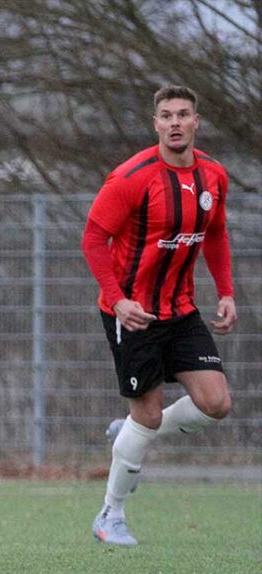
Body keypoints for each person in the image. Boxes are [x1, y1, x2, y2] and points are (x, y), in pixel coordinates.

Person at [81, 85, 236, 546]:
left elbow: (217, 234)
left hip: (181, 310)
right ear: (155, 124)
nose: (174, 122)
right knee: (145, 417)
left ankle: (129, 433)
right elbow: (92, 239)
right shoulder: (132, 176)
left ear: (195, 121)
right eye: (166, 115)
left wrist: (226, 292)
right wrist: (118, 299)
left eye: (182, 114)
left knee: (217, 405)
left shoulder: (213, 176)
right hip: (132, 314)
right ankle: (111, 515)